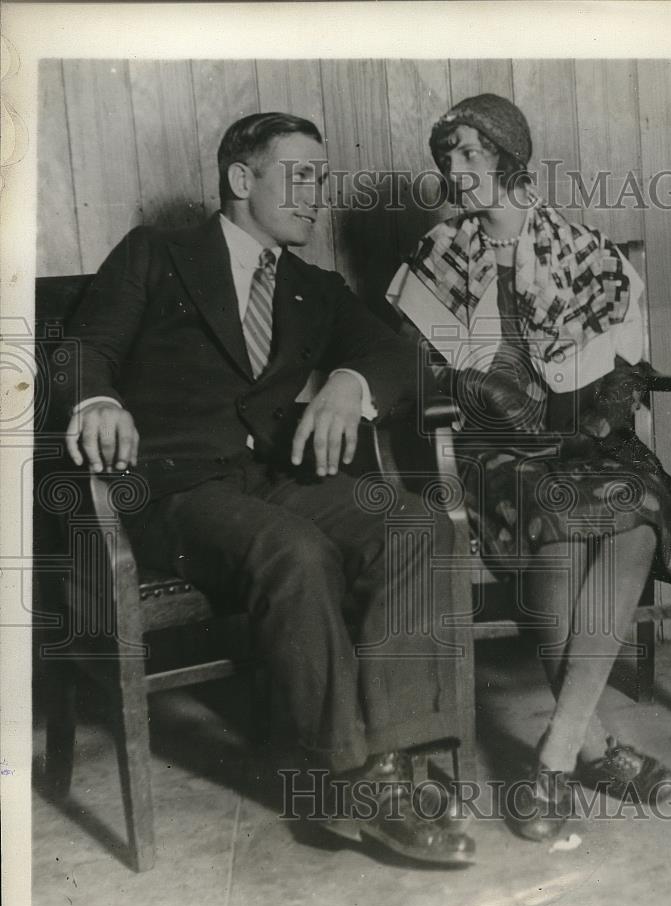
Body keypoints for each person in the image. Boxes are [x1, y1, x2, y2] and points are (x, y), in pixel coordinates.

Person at [61, 112, 475, 867]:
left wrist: (351, 382)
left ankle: (392, 763)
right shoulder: (159, 255)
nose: (316, 194)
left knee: (417, 524)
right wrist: (98, 401)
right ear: (241, 180)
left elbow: (391, 353)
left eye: (323, 177)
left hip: (278, 480)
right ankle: (341, 776)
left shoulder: (315, 286)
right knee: (297, 551)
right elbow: (83, 348)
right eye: (301, 175)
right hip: (176, 492)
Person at [387, 93, 671, 841]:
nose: (455, 168)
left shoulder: (583, 249)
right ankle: (597, 752)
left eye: (471, 154)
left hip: (588, 440)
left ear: (510, 160)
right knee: (557, 520)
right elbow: (411, 370)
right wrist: (470, 387)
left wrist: (607, 412)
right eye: (448, 156)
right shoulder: (439, 254)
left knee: (636, 499)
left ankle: (555, 755)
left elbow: (628, 366)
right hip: (495, 447)